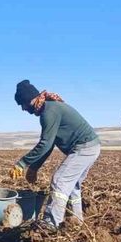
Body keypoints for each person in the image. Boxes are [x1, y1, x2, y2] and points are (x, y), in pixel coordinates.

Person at [9, 80, 100, 227]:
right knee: (72, 185)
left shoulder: (49, 112)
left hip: (84, 147)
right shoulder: (50, 108)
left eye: (22, 104)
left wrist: (22, 163)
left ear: (30, 100)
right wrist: (34, 168)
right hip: (91, 147)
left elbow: (45, 144)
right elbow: (49, 145)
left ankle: (50, 224)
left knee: (60, 181)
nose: (23, 109)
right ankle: (76, 222)